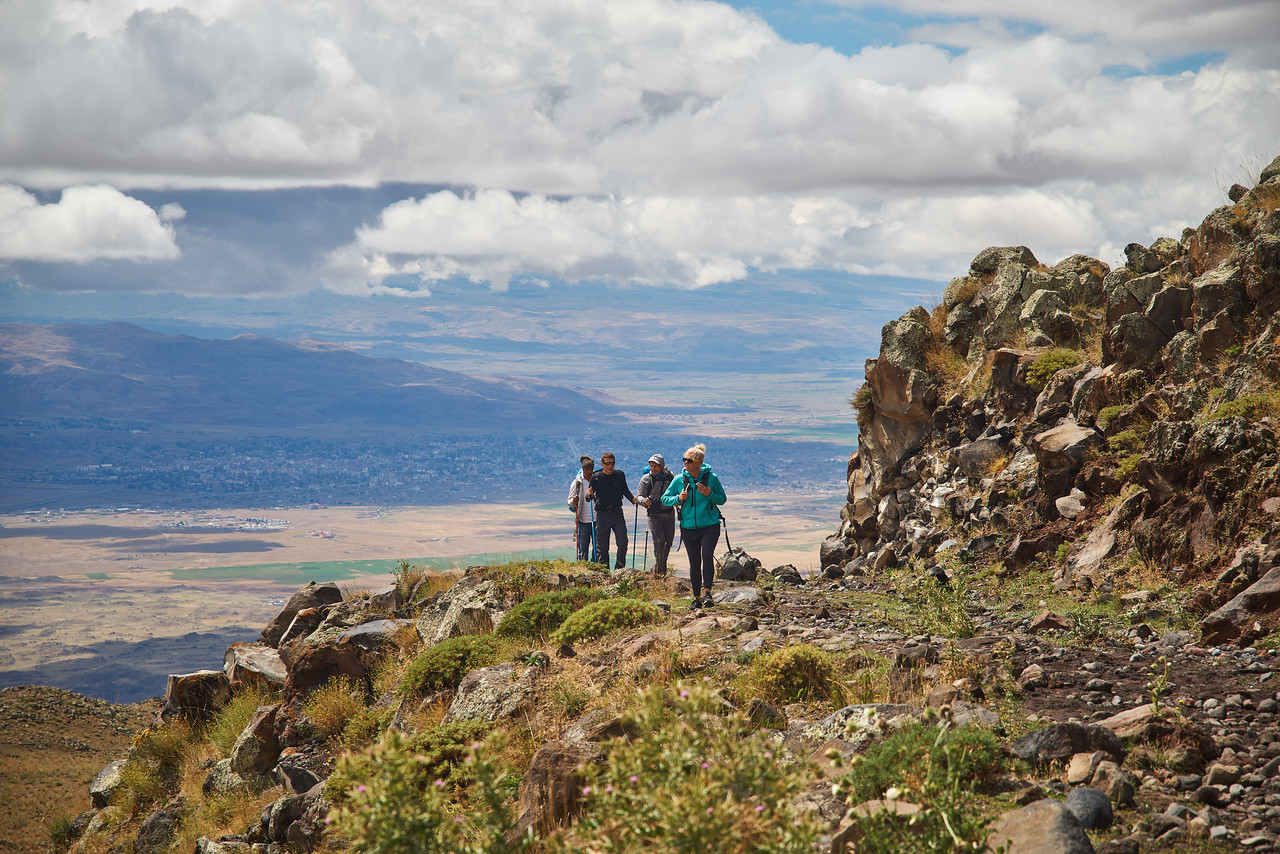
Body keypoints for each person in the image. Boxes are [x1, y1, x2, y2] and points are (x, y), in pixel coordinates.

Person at [661, 443, 726, 609]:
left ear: (698, 462)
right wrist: (678, 498)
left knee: (707, 556)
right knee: (694, 562)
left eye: (689, 460)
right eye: (684, 460)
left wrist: (709, 494)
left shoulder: (712, 478)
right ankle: (696, 598)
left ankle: (707, 593)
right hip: (688, 527)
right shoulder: (679, 480)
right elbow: (664, 499)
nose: (685, 463)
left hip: (710, 526)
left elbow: (722, 499)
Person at [589, 452, 637, 569]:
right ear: (602, 464)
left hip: (617, 513)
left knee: (623, 542)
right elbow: (588, 497)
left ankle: (619, 570)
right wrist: (589, 494)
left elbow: (625, 491)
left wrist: (633, 499)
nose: (611, 466)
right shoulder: (596, 477)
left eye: (613, 463)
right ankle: (604, 572)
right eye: (608, 463)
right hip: (602, 514)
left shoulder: (619, 475)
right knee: (602, 547)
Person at [636, 453, 675, 577]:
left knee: (668, 542)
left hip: (669, 514)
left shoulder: (671, 478)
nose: (653, 469)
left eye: (655, 466)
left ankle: (660, 567)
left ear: (662, 466)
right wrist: (645, 502)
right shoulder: (646, 479)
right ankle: (660, 570)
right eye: (651, 466)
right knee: (659, 541)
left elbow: (677, 490)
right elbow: (639, 496)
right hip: (654, 515)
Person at [567, 456, 596, 561]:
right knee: (583, 549)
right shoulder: (577, 483)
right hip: (583, 521)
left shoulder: (596, 480)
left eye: (591, 469)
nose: (589, 471)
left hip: (597, 520)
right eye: (587, 469)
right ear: (583, 469)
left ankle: (596, 569)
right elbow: (569, 502)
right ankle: (583, 569)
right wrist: (574, 501)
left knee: (597, 548)